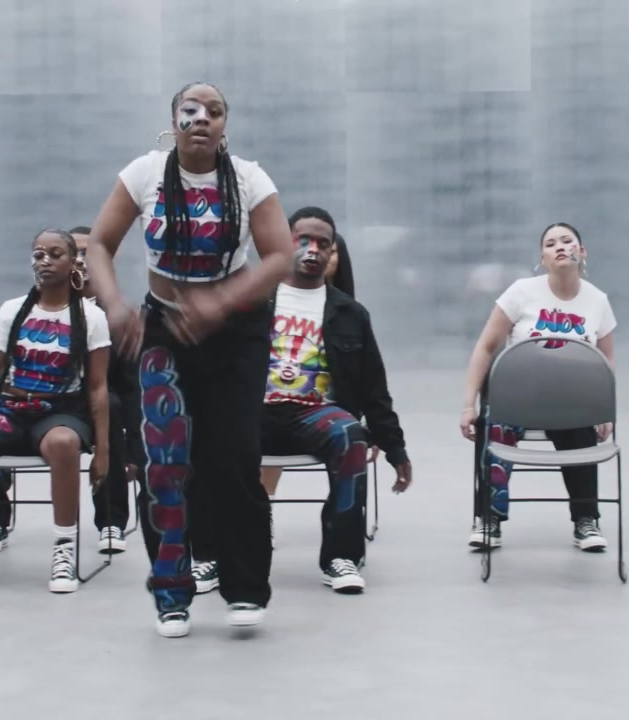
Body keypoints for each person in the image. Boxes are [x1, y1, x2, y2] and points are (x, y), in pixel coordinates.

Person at [83, 81, 294, 638]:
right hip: (164, 330)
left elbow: (280, 256)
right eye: (191, 110)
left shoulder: (248, 179)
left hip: (236, 332)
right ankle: (171, 594)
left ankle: (244, 589)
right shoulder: (145, 174)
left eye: (214, 112)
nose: (202, 119)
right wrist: (115, 306)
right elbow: (99, 244)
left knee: (236, 458)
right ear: (174, 119)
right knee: (164, 462)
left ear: (225, 124)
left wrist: (221, 302)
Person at [190, 207, 412, 595]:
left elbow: (374, 389)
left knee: (350, 436)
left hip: (316, 415)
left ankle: (341, 557)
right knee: (211, 436)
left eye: (323, 244)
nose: (312, 250)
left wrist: (395, 449)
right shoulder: (252, 302)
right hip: (256, 410)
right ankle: (209, 556)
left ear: (331, 251)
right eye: (303, 241)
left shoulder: (350, 313)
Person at [0, 229, 110, 595]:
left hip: (60, 410)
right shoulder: (12, 311)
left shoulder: (90, 317)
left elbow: (97, 387)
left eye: (55, 254)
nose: (45, 261)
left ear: (72, 263)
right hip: (11, 408)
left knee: (63, 443)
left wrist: (103, 450)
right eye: (38, 254)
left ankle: (64, 549)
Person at [0, 226, 140, 556]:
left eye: (88, 254)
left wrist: (136, 451)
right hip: (33, 401)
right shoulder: (29, 309)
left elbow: (132, 388)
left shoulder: (115, 317)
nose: (82, 260)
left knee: (112, 404)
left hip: (90, 407)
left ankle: (111, 521)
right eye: (75, 252)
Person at [460, 222, 616, 551]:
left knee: (582, 424)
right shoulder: (521, 292)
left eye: (567, 241)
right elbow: (485, 347)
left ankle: (586, 520)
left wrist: (606, 410)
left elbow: (606, 360)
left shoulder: (598, 300)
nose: (559, 247)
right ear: (542, 257)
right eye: (550, 243)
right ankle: (488, 517)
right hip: (517, 399)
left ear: (582, 252)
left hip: (570, 401)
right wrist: (468, 404)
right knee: (493, 423)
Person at [256, 219, 359, 520]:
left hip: (322, 410)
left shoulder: (349, 313)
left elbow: (361, 378)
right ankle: (261, 507)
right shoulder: (270, 301)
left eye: (331, 250)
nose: (314, 252)